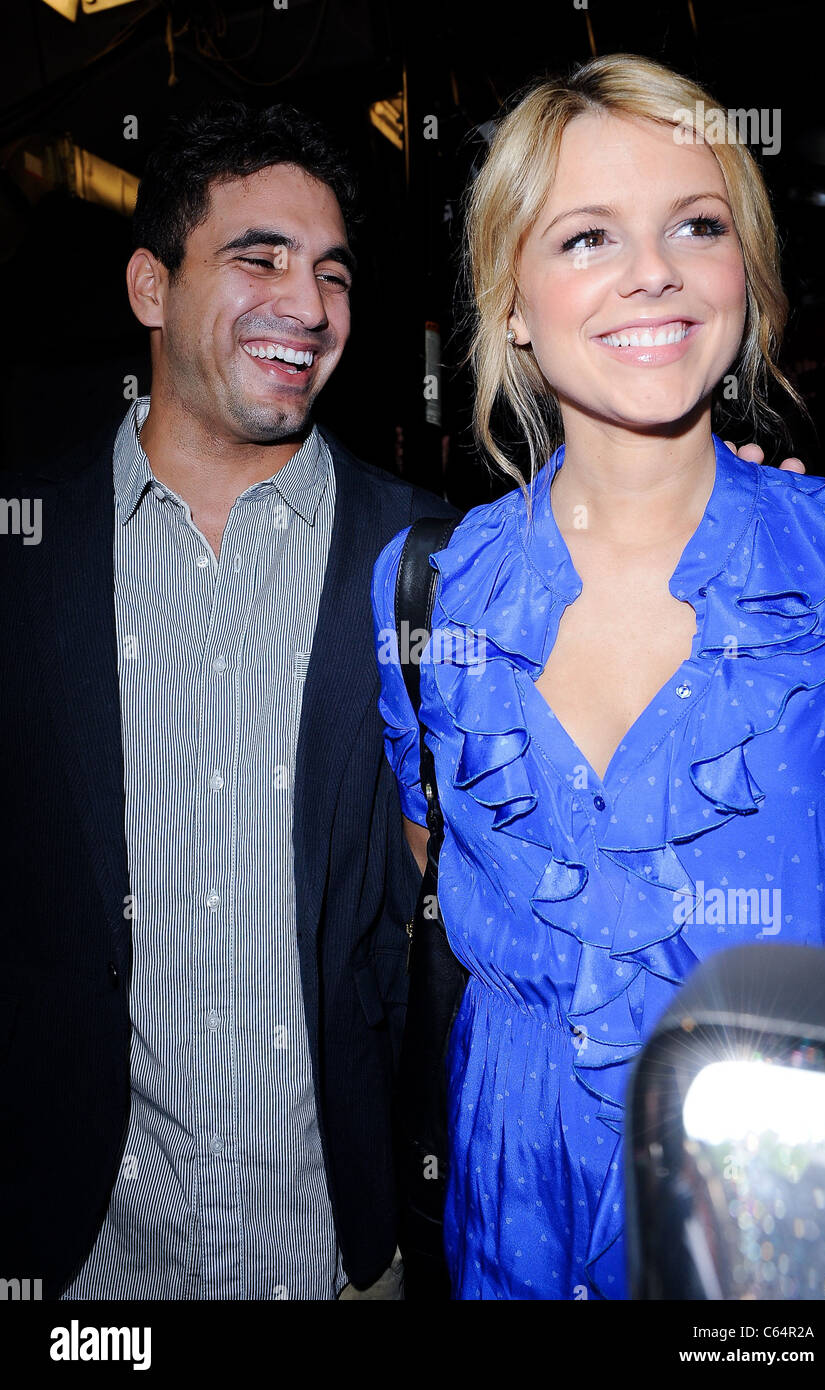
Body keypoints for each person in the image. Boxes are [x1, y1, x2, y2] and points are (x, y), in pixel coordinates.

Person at [371, 53, 825, 1301]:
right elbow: (433, 851)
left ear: (743, 277)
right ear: (514, 302)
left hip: (786, 1226)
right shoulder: (425, 587)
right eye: (588, 236)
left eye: (697, 225)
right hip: (510, 1215)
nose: (655, 269)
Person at [0, 100, 459, 1300]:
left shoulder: (424, 557)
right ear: (151, 288)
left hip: (335, 1245)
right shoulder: (24, 547)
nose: (308, 307)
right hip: (85, 1263)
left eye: (332, 274)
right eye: (258, 257)